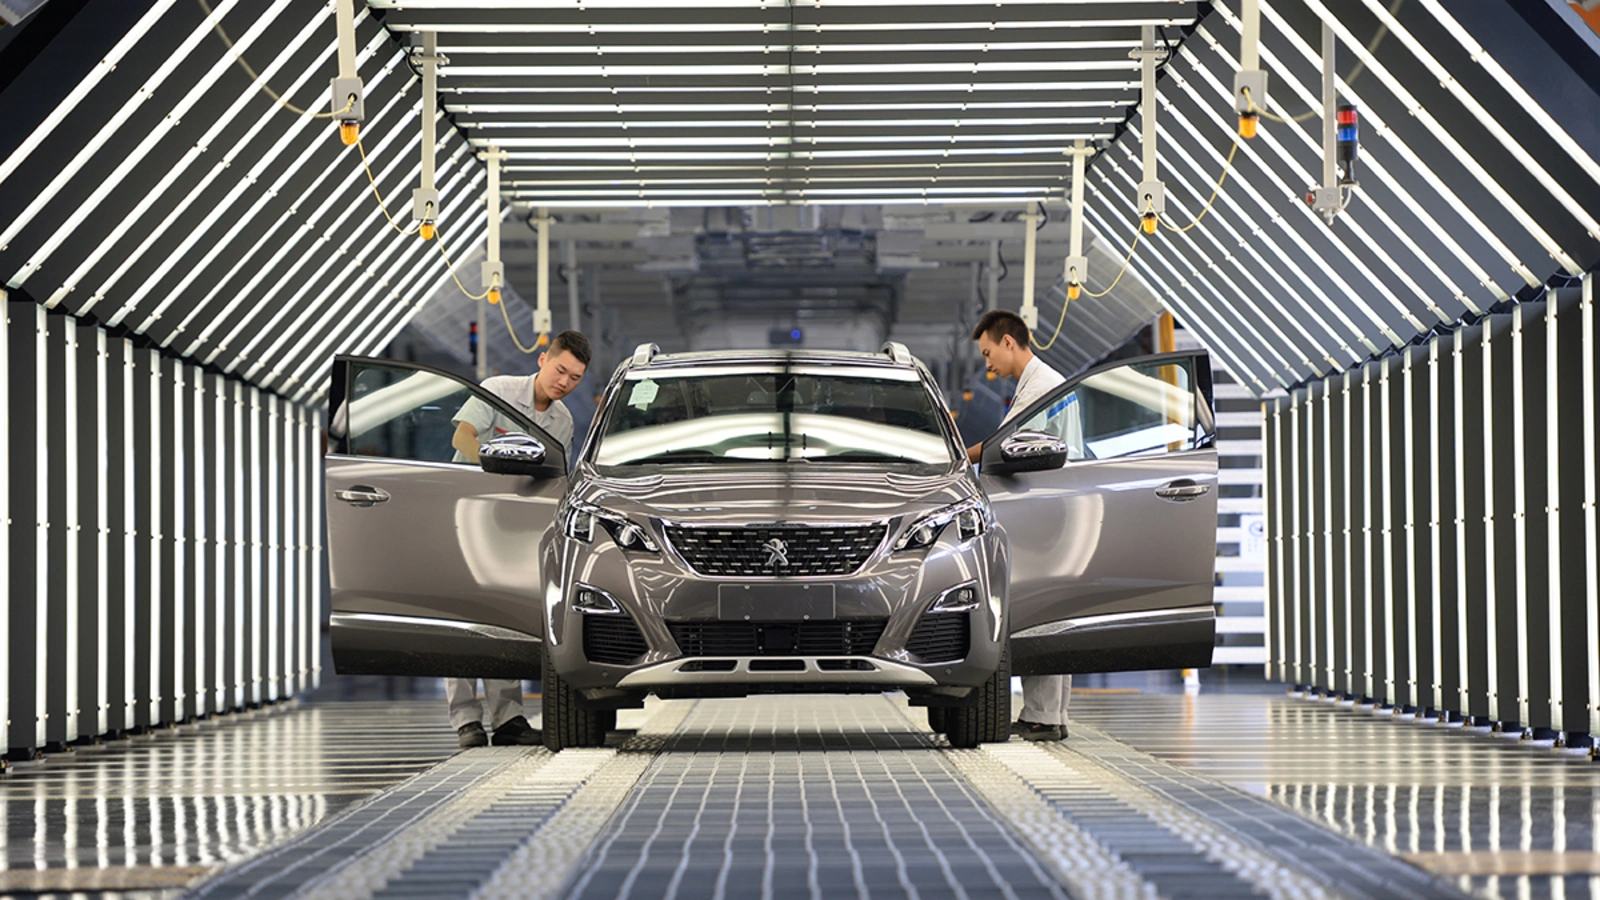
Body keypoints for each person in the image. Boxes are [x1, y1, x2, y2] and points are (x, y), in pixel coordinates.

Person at [446, 330, 591, 749]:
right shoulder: (499, 391)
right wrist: (500, 471)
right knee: (461, 617)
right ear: (544, 359)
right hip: (466, 511)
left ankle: (507, 718)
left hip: (512, 524)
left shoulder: (563, 420)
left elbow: (554, 476)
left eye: (575, 378)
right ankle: (466, 721)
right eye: (560, 369)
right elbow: (462, 438)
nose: (564, 382)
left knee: (501, 616)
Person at [966, 309, 1070, 742]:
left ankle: (1043, 717)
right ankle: (1048, 714)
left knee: (1039, 609)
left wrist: (953, 457)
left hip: (1045, 515)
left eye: (989, 353)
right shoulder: (1041, 383)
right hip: (1053, 511)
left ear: (1009, 342)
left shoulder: (1041, 388)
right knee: (1049, 609)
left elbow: (1001, 446)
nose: (988, 365)